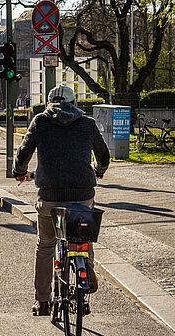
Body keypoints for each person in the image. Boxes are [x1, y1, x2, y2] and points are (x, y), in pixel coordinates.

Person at [12, 85, 110, 316]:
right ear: (75, 103)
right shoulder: (87, 123)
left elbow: (24, 152)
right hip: (82, 196)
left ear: (48, 104)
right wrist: (99, 169)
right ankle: (86, 264)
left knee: (45, 245)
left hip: (50, 198)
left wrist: (19, 171)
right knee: (83, 232)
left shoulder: (41, 121)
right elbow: (103, 155)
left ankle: (43, 302)